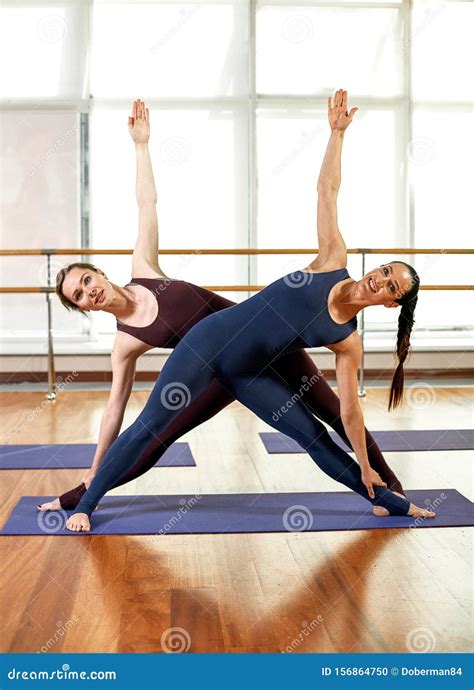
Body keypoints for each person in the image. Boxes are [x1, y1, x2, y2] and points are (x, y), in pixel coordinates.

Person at [65, 90, 435, 532]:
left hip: (252, 373)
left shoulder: (347, 341)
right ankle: (87, 503)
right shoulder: (333, 258)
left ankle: (386, 498)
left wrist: (363, 462)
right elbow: (326, 191)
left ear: (391, 302)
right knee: (149, 427)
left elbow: (350, 413)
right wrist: (336, 135)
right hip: (205, 346)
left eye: (391, 286)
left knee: (314, 436)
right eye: (386, 270)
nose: (380, 279)